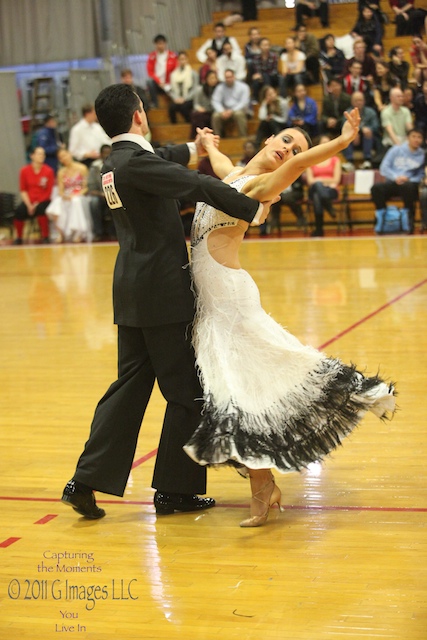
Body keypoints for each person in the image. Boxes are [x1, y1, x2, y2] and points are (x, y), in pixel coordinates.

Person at [61, 83, 272, 520]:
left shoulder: (113, 163)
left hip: (133, 291)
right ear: (140, 116)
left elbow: (166, 161)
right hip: (162, 294)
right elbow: (193, 183)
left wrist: (193, 146)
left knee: (128, 387)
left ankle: (85, 479)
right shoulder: (137, 164)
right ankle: (174, 491)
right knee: (185, 392)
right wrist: (252, 209)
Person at [184, 109, 396, 527]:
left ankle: (359, 392)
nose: (288, 150)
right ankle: (263, 491)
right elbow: (226, 169)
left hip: (228, 302)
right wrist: (208, 146)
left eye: (296, 148)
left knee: (251, 388)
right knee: (240, 396)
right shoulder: (237, 176)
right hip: (214, 301)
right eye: (284, 140)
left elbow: (299, 166)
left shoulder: (262, 186)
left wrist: (341, 142)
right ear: (267, 141)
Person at [371, 129, 425, 233]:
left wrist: (409, 179)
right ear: (407, 138)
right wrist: (396, 177)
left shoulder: (423, 155)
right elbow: (384, 168)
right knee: (376, 188)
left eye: (419, 137)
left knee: (408, 187)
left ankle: (408, 222)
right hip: (393, 181)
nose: (416, 139)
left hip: (410, 184)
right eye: (414, 136)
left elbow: (421, 174)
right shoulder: (396, 150)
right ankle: (382, 218)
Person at [46, 149, 90, 243]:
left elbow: (86, 187)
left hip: (79, 195)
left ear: (69, 154)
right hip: (67, 195)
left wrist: (77, 194)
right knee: (57, 202)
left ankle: (78, 232)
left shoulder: (82, 168)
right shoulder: (61, 172)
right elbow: (60, 190)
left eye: (65, 155)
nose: (64, 158)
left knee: (75, 201)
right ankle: (61, 233)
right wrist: (64, 196)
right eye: (61, 157)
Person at [13, 147, 54, 245]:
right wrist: (29, 205)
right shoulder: (24, 171)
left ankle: (45, 236)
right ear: (32, 156)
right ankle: (19, 237)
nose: (42, 156)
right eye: (39, 154)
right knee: (19, 210)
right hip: (29, 201)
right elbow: (23, 190)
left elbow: (48, 191)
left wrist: (37, 203)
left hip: (43, 200)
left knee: (41, 209)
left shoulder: (48, 171)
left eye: (43, 154)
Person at [306, 133, 342, 236]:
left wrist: (318, 180)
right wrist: (325, 181)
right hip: (314, 189)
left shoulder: (335, 160)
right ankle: (329, 206)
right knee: (317, 187)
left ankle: (319, 230)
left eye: (329, 143)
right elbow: (310, 181)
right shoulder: (311, 160)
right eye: (324, 143)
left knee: (317, 195)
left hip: (331, 190)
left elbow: (336, 179)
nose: (328, 145)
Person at [342, 91, 380, 170]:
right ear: (352, 102)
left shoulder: (371, 112)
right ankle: (350, 162)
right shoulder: (348, 113)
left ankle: (367, 160)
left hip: (368, 139)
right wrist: (355, 133)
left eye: (361, 100)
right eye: (356, 100)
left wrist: (367, 129)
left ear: (364, 101)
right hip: (353, 140)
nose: (359, 102)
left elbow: (376, 126)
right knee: (347, 136)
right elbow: (344, 128)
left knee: (368, 132)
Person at [211, 69, 250, 138]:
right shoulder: (220, 87)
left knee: (239, 114)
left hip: (237, 110)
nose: (228, 79)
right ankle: (217, 138)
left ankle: (243, 137)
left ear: (234, 77)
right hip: (224, 110)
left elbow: (244, 102)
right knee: (215, 116)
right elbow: (215, 101)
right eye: (226, 77)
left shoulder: (243, 87)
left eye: (230, 77)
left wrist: (232, 111)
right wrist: (221, 111)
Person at [87, 144, 114, 241]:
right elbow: (91, 187)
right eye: (105, 153)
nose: (107, 155)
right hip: (99, 195)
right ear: (101, 154)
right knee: (93, 202)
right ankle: (98, 232)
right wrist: (102, 194)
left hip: (114, 194)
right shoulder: (95, 167)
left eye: (109, 153)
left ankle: (113, 232)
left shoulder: (116, 165)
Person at [146, 34, 178, 108]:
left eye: (161, 43)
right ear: (155, 45)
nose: (160, 46)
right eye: (158, 44)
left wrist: (168, 83)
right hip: (157, 83)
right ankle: (155, 104)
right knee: (149, 81)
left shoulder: (172, 56)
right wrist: (159, 82)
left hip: (169, 82)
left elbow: (175, 71)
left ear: (165, 43)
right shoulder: (152, 56)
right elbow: (150, 72)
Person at [168, 51, 199, 124]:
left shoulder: (193, 73)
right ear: (178, 61)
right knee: (171, 107)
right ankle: (174, 127)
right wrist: (176, 98)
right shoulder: (173, 74)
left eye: (184, 59)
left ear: (187, 60)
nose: (182, 61)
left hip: (189, 98)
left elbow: (195, 88)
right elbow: (171, 90)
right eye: (180, 59)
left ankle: (189, 124)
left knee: (184, 107)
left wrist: (185, 99)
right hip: (178, 99)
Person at [190, 70, 219, 138]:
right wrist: (199, 108)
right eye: (211, 78)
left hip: (214, 110)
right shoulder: (200, 89)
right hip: (203, 111)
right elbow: (196, 103)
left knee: (200, 116)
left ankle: (201, 135)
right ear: (206, 79)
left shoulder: (219, 89)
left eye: (214, 78)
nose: (213, 80)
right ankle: (199, 135)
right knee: (196, 115)